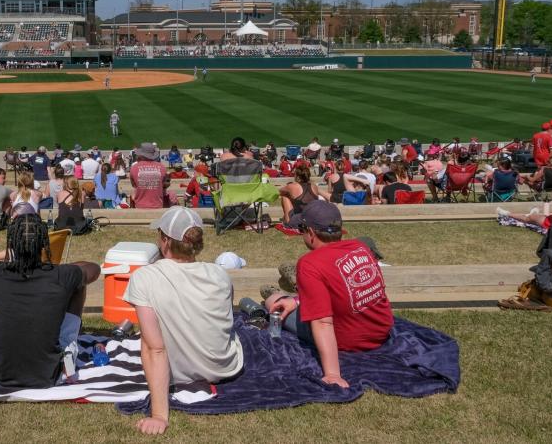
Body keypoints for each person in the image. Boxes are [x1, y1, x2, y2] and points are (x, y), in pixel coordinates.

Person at [124, 206, 244, 435]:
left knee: (148, 337)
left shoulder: (144, 277)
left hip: (177, 374)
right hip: (225, 366)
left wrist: (159, 415)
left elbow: (154, 349)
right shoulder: (219, 274)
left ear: (166, 241)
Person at [266, 200, 393, 387]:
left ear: (310, 233)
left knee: (272, 300)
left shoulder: (309, 263)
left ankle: (287, 292)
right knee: (305, 296)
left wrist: (333, 374)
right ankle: (298, 294)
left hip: (346, 339)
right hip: (381, 331)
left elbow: (322, 322)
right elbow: (349, 289)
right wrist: (297, 301)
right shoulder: (361, 248)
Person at [0, 212, 100, 388]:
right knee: (79, 283)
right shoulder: (62, 276)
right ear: (43, 244)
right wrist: (59, 269)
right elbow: (93, 269)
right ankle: (68, 356)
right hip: (52, 375)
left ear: (11, 244)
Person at [130, 143, 168, 209]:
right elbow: (164, 185)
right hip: (158, 205)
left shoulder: (134, 168)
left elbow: (134, 186)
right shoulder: (162, 167)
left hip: (140, 205)